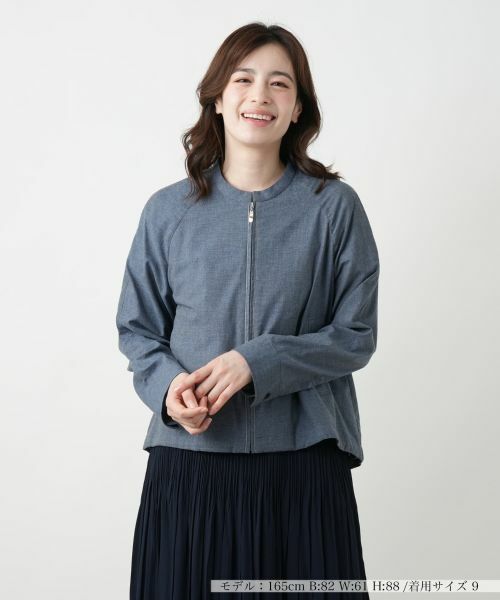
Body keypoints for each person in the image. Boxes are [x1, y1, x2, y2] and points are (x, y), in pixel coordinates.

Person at [116, 22, 379, 600]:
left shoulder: (334, 208)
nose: (260, 95)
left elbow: (355, 334)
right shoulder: (168, 212)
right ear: (217, 96)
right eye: (243, 79)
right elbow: (137, 330)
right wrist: (170, 391)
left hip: (303, 471)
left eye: (279, 83)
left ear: (298, 108)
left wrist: (255, 362)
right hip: (190, 470)